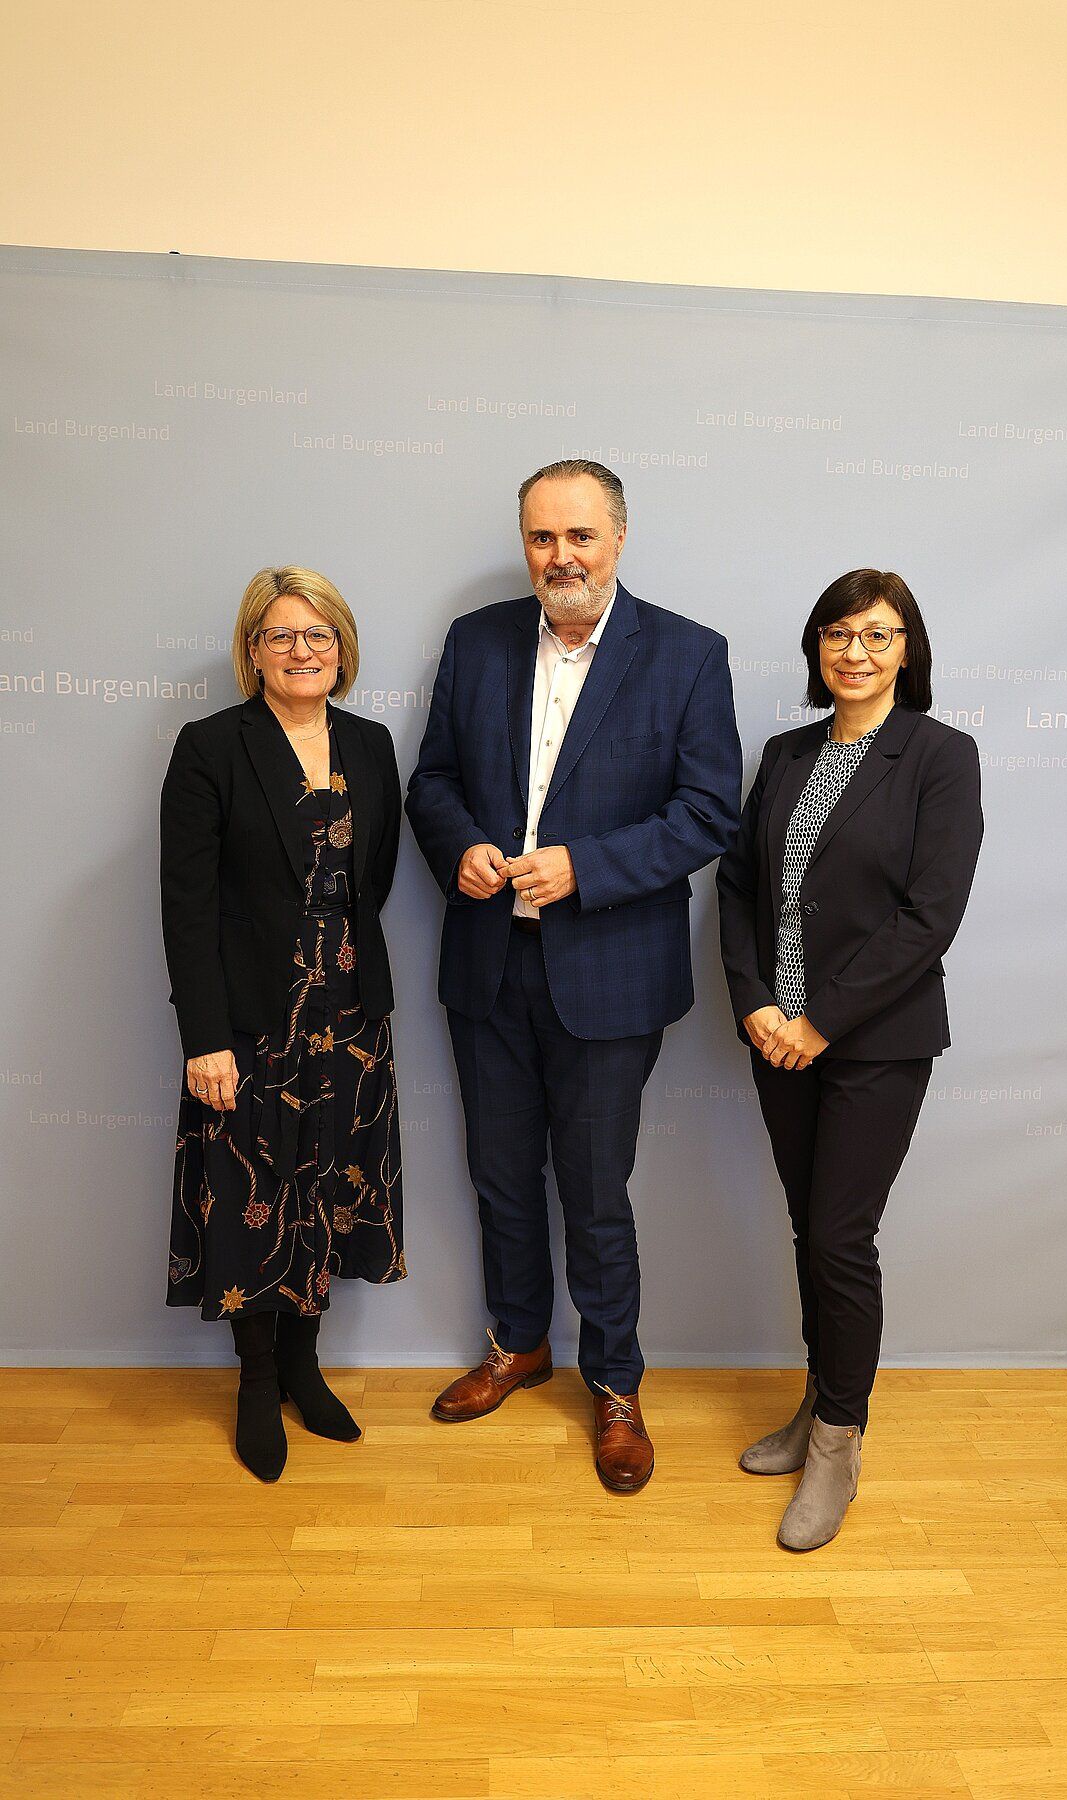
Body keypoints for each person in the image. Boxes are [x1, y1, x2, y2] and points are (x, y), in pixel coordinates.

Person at [405, 459, 742, 1493]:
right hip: (487, 965)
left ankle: (616, 1382)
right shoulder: (477, 643)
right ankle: (518, 1342)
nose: (561, 558)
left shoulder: (686, 655)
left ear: (620, 539)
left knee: (594, 1192)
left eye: (580, 537)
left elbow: (707, 812)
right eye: (542, 538)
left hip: (609, 975)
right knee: (500, 1176)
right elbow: (434, 782)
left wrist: (586, 867)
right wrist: (458, 846)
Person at [716, 569, 983, 1550]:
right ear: (816, 650)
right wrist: (754, 1003)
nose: (855, 652)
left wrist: (819, 1020)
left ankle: (840, 1440)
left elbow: (930, 917)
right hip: (774, 1038)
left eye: (876, 634)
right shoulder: (785, 753)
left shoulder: (940, 758)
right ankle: (816, 1404)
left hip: (872, 1040)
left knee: (839, 1238)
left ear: (906, 648)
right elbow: (738, 888)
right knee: (806, 1232)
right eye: (837, 634)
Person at [160, 567, 406, 1482]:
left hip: (348, 1015)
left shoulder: (373, 746)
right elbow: (186, 907)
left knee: (330, 1189)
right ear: (252, 651)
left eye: (319, 636)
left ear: (341, 648)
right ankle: (257, 1381)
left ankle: (306, 1366)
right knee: (253, 1195)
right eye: (282, 636)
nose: (303, 651)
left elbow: (367, 883)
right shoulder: (210, 748)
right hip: (251, 1023)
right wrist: (204, 1038)